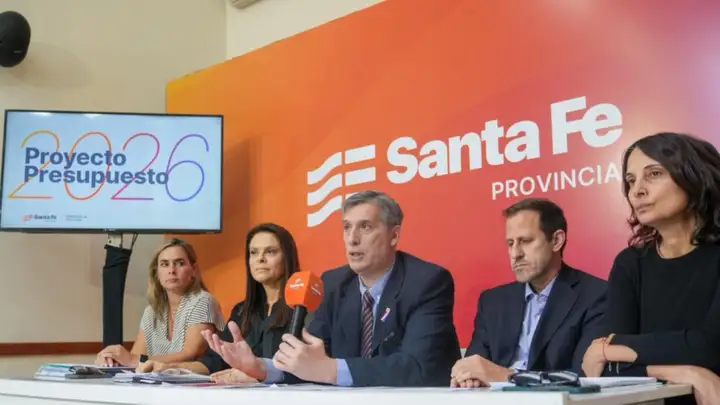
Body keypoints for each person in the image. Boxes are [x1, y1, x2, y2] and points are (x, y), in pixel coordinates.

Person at [203, 190, 461, 387]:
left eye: (365, 227)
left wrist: (330, 370)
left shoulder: (427, 282)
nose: (352, 239)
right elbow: (308, 362)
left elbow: (417, 366)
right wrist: (261, 367)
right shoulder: (334, 283)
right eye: (347, 227)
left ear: (394, 235)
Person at [582, 132, 720, 405]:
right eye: (631, 180)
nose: (637, 191)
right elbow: (600, 368)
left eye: (654, 174)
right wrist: (688, 373)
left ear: (694, 176)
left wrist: (618, 348)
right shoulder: (630, 263)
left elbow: (710, 347)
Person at [451, 198, 607, 388]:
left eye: (525, 241)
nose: (515, 253)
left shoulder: (596, 295)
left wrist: (507, 377)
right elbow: (474, 366)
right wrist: (467, 376)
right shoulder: (492, 301)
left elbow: (583, 377)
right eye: (510, 243)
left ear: (556, 240)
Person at [137, 223, 301, 384]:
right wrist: (170, 369)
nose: (260, 259)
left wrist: (260, 375)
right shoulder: (242, 311)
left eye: (270, 252)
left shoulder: (304, 309)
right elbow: (214, 361)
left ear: (287, 257)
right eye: (254, 252)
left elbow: (306, 367)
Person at [96, 238, 225, 367]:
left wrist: (134, 360)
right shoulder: (151, 311)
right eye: (164, 264)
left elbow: (190, 354)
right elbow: (135, 356)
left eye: (180, 263)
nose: (171, 270)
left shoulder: (203, 300)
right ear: (157, 273)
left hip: (198, 379)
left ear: (193, 270)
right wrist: (113, 359)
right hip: (159, 379)